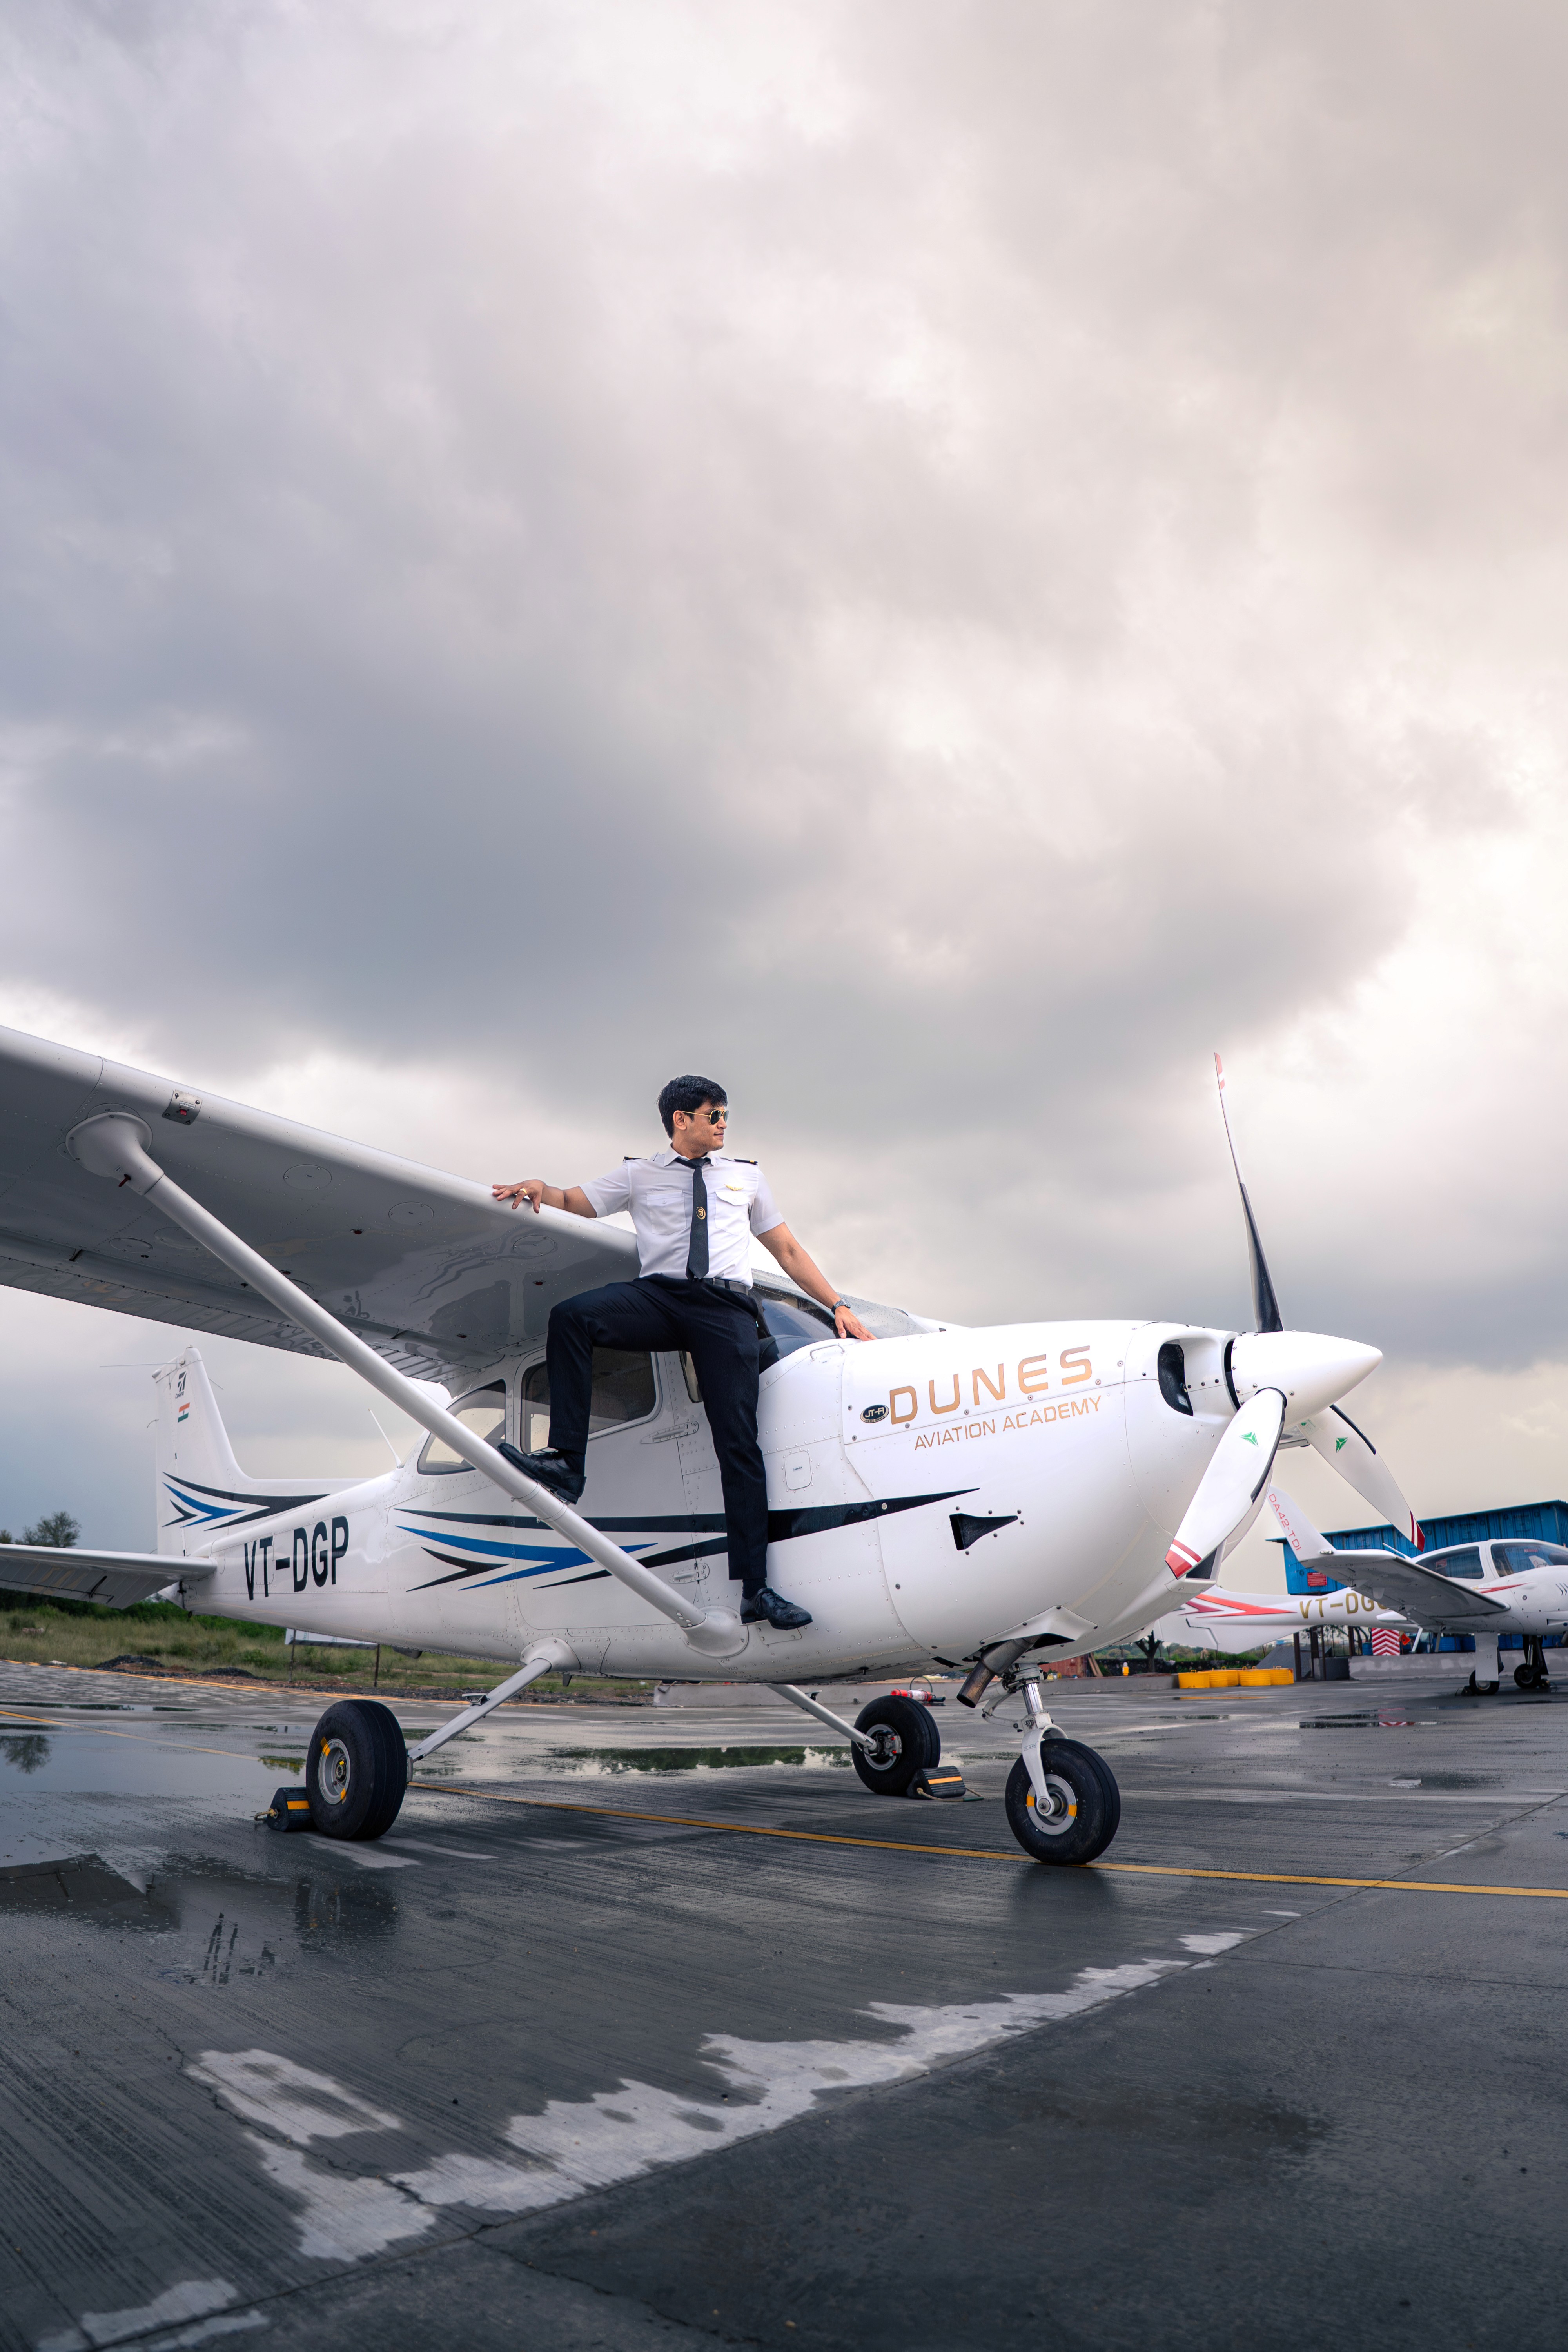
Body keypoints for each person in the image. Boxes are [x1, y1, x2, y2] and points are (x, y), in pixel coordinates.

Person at [492, 1075, 874, 1630]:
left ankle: (756, 1592)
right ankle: (567, 1463)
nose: (723, 1123)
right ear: (681, 1120)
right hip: (662, 1297)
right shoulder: (639, 1173)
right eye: (713, 1114)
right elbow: (581, 1202)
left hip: (726, 1309)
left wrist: (837, 1304)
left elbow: (786, 1248)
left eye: (725, 1115)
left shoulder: (747, 1177)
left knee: (739, 1446)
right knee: (571, 1317)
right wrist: (540, 1189)